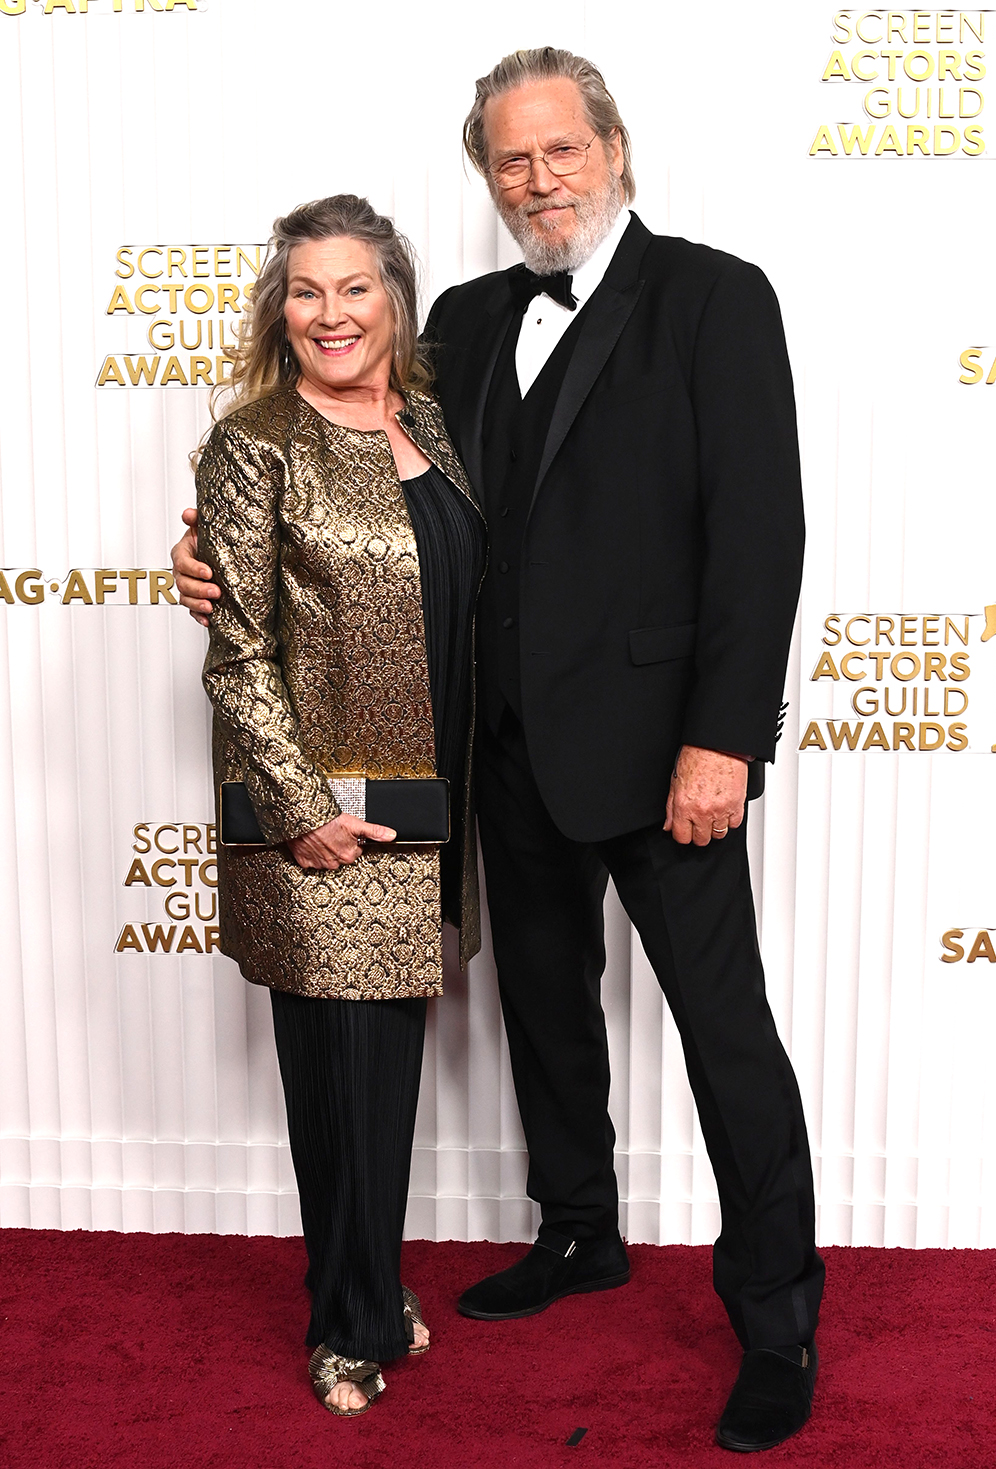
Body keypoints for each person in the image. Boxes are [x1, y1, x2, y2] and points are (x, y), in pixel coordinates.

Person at [174, 49, 822, 1451]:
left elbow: (762, 534)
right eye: (511, 160)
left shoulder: (716, 296)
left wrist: (726, 738)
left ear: (615, 146)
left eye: (560, 150)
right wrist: (213, 553)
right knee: (542, 1009)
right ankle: (578, 1231)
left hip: (667, 760)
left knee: (728, 1036)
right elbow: (364, 481)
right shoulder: (460, 321)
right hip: (502, 755)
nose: (538, 180)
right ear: (488, 176)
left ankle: (778, 1318)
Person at [192, 193, 485, 1416]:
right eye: (306, 290)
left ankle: (362, 1282)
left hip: (427, 813)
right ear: (282, 307)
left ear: (394, 298)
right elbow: (239, 648)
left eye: (353, 287)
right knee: (340, 1086)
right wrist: (302, 804)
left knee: (383, 1084)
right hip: (326, 822)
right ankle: (347, 1323)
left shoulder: (429, 419)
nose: (330, 313)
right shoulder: (254, 440)